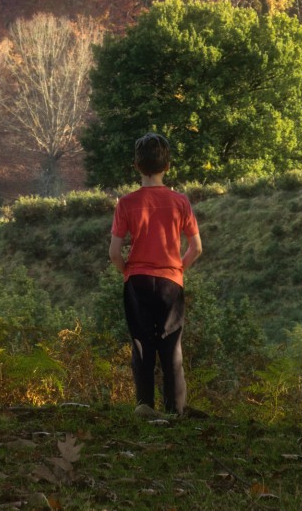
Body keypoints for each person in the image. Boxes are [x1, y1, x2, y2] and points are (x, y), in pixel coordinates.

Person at [108, 132, 202, 416]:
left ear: (136, 166)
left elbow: (114, 252)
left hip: (137, 280)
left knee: (141, 343)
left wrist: (128, 272)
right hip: (171, 282)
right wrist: (177, 269)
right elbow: (196, 248)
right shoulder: (180, 202)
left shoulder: (125, 203)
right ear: (168, 166)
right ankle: (175, 410)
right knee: (171, 345)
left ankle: (144, 405)